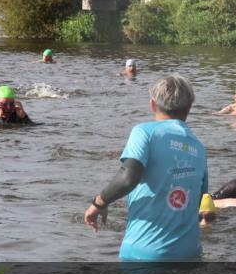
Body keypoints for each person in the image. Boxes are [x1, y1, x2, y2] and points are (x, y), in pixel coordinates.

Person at [84, 75, 208, 261]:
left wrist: (99, 202)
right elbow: (198, 200)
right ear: (189, 107)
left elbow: (128, 177)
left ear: (152, 104)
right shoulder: (198, 147)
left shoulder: (144, 132)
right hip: (190, 253)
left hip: (145, 254)